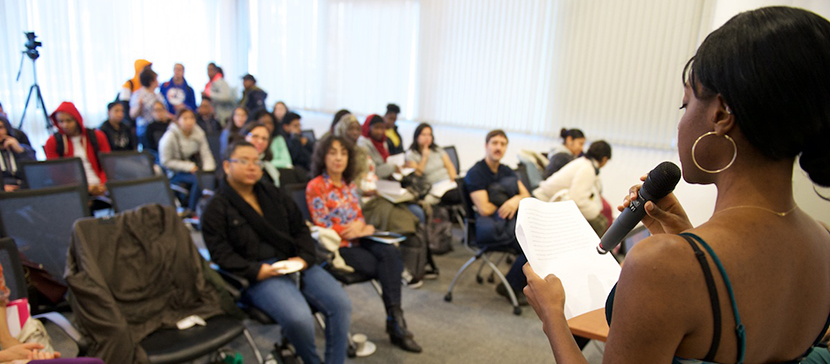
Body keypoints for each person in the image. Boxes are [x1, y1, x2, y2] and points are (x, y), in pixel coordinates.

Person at [524, 7, 830, 364]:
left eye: (685, 105)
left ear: (720, 115)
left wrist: (553, 318)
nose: (681, 121)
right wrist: (686, 236)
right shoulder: (822, 241)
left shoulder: (664, 265)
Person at [202, 141, 351, 364]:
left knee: (340, 304)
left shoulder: (272, 193)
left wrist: (303, 258)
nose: (252, 166)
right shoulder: (216, 207)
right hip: (260, 273)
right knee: (299, 318)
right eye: (243, 161)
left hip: (293, 261)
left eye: (256, 161)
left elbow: (300, 228)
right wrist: (255, 270)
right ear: (226, 166)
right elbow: (220, 254)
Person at [306, 136, 422, 353]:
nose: (338, 158)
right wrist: (352, 229)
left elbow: (358, 219)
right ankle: (396, 323)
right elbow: (323, 226)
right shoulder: (316, 186)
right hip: (338, 247)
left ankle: (395, 318)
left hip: (361, 238)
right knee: (388, 265)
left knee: (390, 251)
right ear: (323, 157)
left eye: (343, 153)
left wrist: (363, 228)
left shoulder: (349, 185)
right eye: (333, 153)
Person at [464, 129, 531, 304]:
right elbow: (484, 208)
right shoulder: (476, 172)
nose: (498, 147)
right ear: (486, 146)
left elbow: (526, 196)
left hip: (507, 222)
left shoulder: (506, 171)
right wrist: (507, 201)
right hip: (489, 227)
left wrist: (515, 199)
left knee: (537, 243)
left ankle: (511, 284)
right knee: (532, 247)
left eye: (502, 144)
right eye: (494, 143)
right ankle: (510, 285)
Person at [533, 141, 612, 236]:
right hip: (544, 202)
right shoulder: (587, 169)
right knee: (600, 224)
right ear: (604, 159)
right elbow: (577, 199)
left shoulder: (583, 162)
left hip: (546, 200)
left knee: (600, 219)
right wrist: (595, 211)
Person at [44, 101, 111, 197]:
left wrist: (102, 185)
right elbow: (56, 174)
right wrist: (85, 188)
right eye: (60, 121)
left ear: (77, 119)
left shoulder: (97, 136)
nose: (65, 125)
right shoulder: (53, 142)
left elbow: (108, 165)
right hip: (73, 190)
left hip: (101, 185)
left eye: (69, 121)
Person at [159, 109, 216, 213]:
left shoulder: (198, 132)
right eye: (185, 118)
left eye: (191, 118)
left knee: (210, 178)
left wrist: (208, 171)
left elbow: (206, 153)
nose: (189, 121)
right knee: (199, 181)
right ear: (178, 120)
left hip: (196, 168)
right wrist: (188, 166)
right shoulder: (170, 136)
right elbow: (165, 161)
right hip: (176, 171)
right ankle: (192, 210)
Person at [405, 123, 459, 204]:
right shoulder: (411, 154)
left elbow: (449, 165)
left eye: (429, 135)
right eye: (423, 134)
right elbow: (416, 176)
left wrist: (453, 179)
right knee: (428, 202)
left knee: (462, 192)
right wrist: (424, 157)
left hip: (448, 182)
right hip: (432, 187)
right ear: (417, 136)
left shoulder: (437, 149)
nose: (427, 137)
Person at [129, 68, 169, 142]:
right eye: (156, 79)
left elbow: (165, 110)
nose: (158, 82)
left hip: (159, 128)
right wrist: (139, 106)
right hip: (145, 130)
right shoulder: (138, 94)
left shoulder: (158, 95)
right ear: (151, 81)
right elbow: (132, 115)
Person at [0, 116, 35, 191]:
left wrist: (20, 151)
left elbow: (35, 173)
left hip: (23, 191)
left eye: (1, 128)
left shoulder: (22, 149)